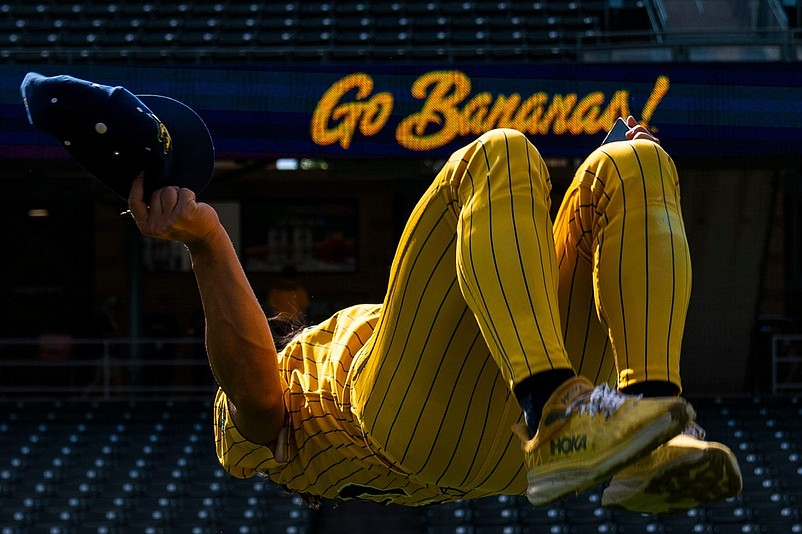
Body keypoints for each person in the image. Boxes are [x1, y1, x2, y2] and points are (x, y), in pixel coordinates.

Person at [128, 117, 741, 514]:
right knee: (497, 156)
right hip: (423, 429)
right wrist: (208, 240)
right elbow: (258, 403)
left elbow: (516, 279)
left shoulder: (352, 347)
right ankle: (564, 408)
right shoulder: (293, 380)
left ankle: (652, 427)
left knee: (633, 169)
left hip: (497, 445)